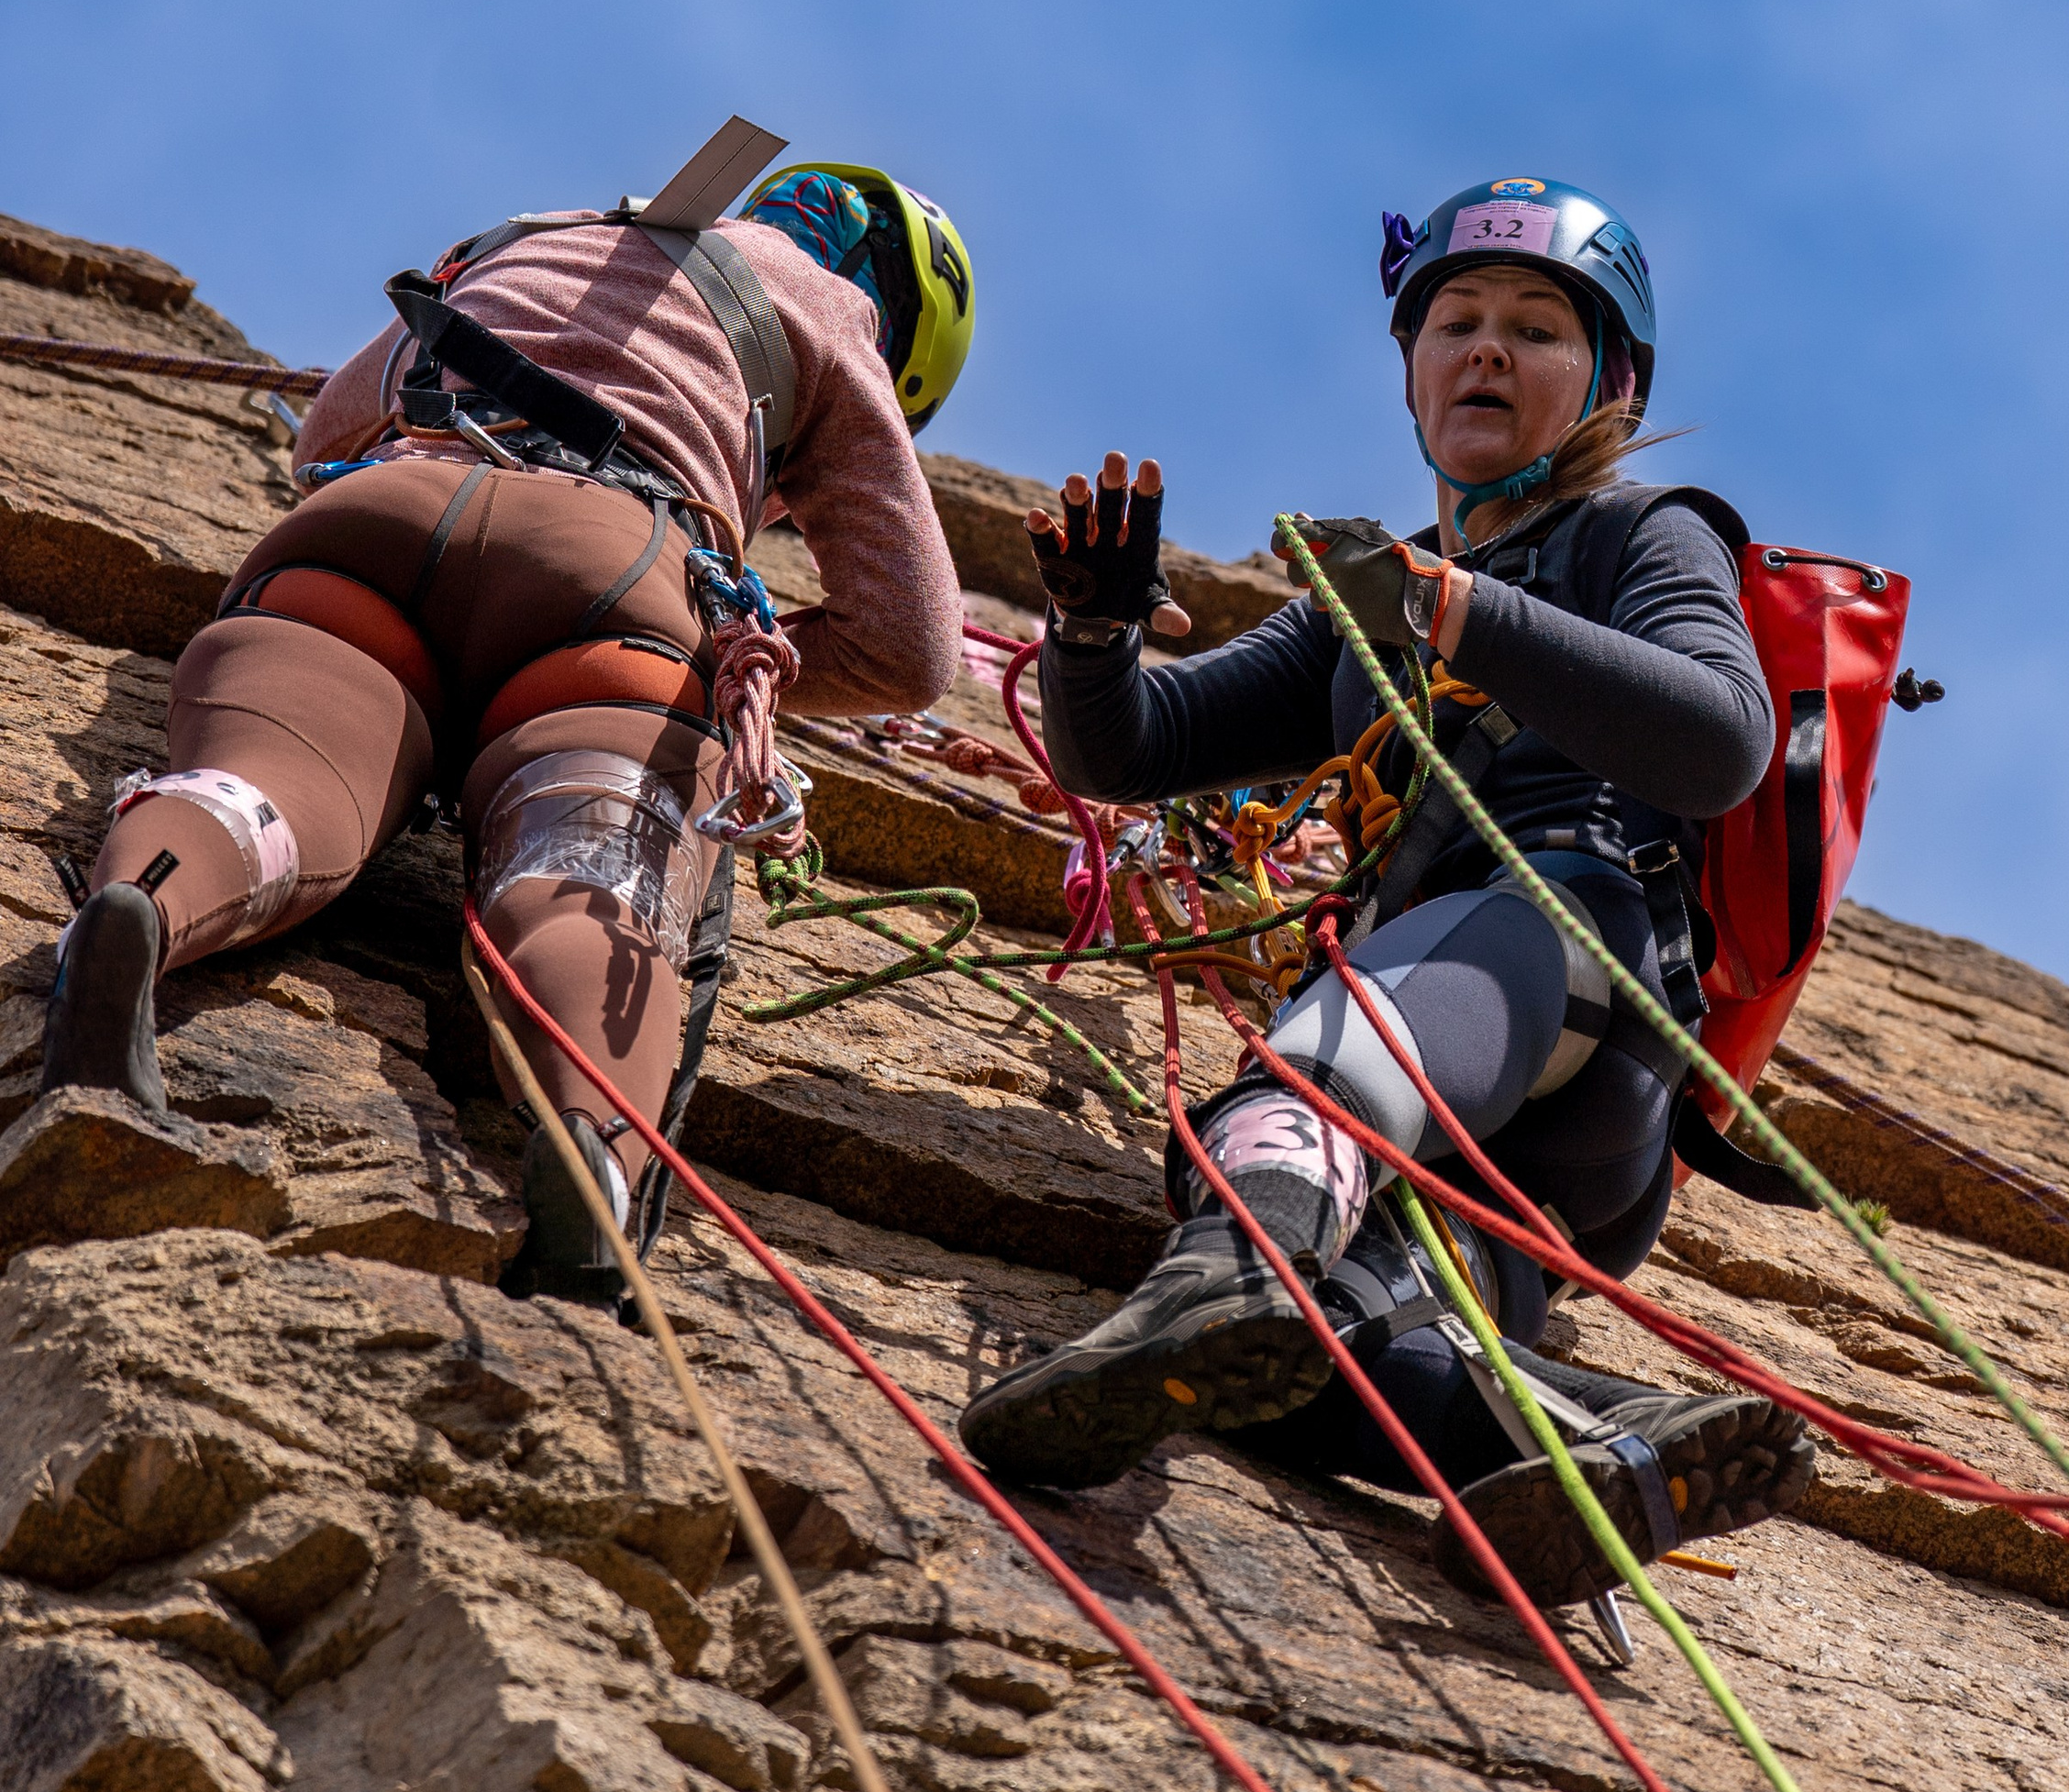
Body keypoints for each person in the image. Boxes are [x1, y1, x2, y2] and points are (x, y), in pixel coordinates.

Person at [958, 174, 1814, 1611]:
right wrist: (1094, 634)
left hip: (1554, 954)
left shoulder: (1637, 534)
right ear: (1411, 370)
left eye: (1536, 329)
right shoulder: (1363, 609)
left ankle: (1229, 1263)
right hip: (1513, 1126)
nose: (1484, 348)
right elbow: (1135, 754)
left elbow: (1721, 735)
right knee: (1305, 1365)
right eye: (1456, 321)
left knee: (1286, 1106)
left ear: (1606, 383)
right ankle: (1613, 1433)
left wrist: (1461, 608)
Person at [40, 141, 973, 1316]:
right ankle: (590, 1138)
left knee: (269, 781)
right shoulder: (827, 310)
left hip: (383, 512)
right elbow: (914, 644)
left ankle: (147, 903)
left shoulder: (532, 237)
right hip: (612, 579)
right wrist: (744, 646)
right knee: (587, 881)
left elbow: (323, 433)